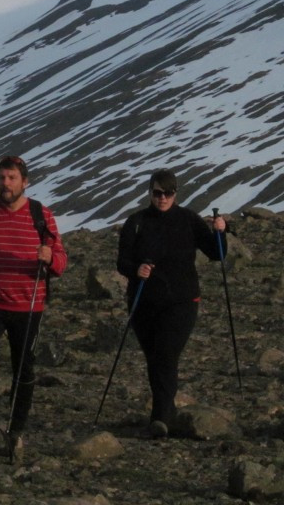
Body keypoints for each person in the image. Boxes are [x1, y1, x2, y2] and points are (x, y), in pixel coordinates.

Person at [0, 155, 66, 448]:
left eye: (11, 178)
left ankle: (16, 429)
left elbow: (60, 262)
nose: (5, 184)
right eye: (1, 178)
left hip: (29, 305)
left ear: (24, 182)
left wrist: (50, 258)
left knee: (24, 367)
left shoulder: (40, 215)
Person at [117, 169, 227, 439]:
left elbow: (216, 253)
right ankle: (164, 413)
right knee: (155, 358)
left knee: (166, 354)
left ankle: (160, 419)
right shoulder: (136, 222)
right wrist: (136, 269)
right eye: (157, 193)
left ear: (175, 193)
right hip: (143, 302)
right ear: (150, 193)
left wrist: (221, 233)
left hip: (182, 301)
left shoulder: (188, 220)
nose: (162, 198)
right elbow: (122, 261)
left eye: (168, 193)